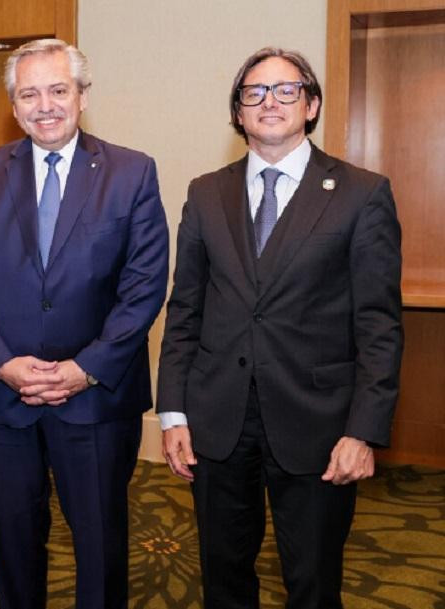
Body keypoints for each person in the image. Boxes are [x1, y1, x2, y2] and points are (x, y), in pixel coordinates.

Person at [157, 47, 403, 608]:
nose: (270, 101)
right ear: (239, 113)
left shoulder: (363, 194)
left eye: (286, 90)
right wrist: (172, 412)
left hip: (319, 423)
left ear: (311, 105)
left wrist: (363, 431)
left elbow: (379, 325)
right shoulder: (205, 192)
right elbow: (185, 309)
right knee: (223, 578)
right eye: (254, 92)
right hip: (218, 422)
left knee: (313, 582)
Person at [0, 39, 169, 609]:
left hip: (94, 401)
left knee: (100, 549)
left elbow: (143, 288)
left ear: (83, 96)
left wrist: (84, 369)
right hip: (6, 400)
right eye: (29, 94)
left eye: (57, 90)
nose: (45, 105)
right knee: (13, 546)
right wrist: (3, 363)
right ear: (13, 105)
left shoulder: (132, 172)